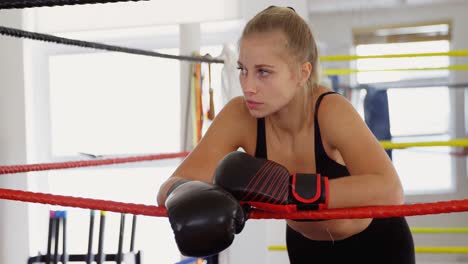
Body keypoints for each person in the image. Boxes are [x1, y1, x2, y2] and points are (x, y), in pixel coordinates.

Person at [157, 6, 415, 264]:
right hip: (306, 249)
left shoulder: (329, 111)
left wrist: (290, 191)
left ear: (302, 73)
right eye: (243, 69)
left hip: (376, 247)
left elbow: (391, 190)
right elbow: (170, 186)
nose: (248, 86)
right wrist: (190, 195)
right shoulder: (240, 115)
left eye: (263, 72)